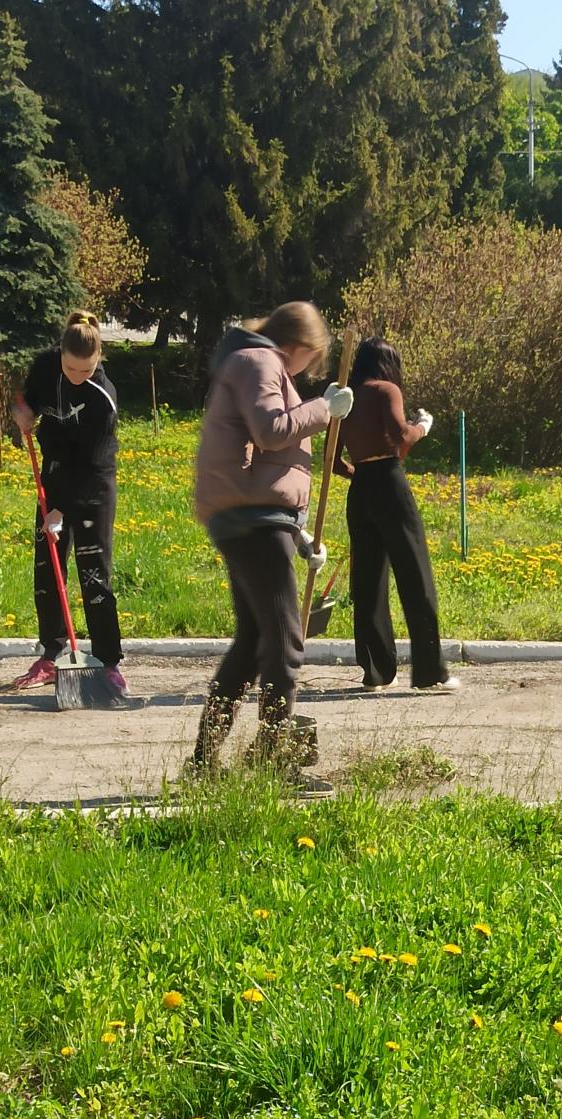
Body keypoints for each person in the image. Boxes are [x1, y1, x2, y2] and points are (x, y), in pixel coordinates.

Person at [191, 301, 353, 793]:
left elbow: (264, 449)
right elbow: (270, 431)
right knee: (284, 641)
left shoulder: (248, 362)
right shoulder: (260, 362)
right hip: (253, 520)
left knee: (252, 645)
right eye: (311, 358)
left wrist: (297, 529)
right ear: (299, 347)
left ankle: (203, 763)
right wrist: (324, 410)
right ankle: (274, 765)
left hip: (253, 516)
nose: (308, 369)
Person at [333, 336, 458, 693]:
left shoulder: (347, 396)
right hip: (389, 483)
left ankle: (376, 671)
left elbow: (330, 455)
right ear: (389, 364)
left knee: (368, 583)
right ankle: (430, 672)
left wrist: (356, 472)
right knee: (415, 575)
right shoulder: (387, 389)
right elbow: (400, 436)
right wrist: (423, 426)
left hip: (360, 492)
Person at [10, 311, 126, 697]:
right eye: (72, 369)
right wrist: (23, 415)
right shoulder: (46, 365)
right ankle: (49, 654)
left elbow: (91, 462)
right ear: (60, 354)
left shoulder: (103, 397)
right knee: (48, 569)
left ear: (98, 360)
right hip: (54, 475)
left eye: (87, 370)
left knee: (94, 573)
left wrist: (63, 509)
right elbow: (27, 397)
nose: (79, 377)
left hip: (93, 484)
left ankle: (109, 663)